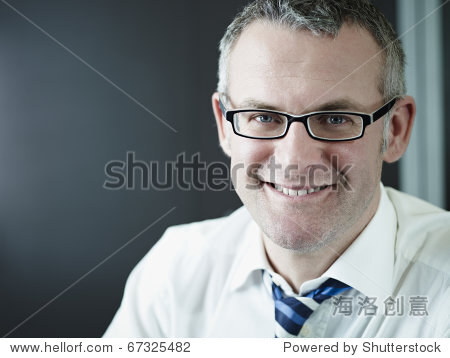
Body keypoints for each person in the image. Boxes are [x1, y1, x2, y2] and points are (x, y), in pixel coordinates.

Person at [104, 0, 450, 337]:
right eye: (264, 117)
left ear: (395, 130)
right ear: (225, 126)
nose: (294, 159)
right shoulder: (174, 272)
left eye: (335, 118)